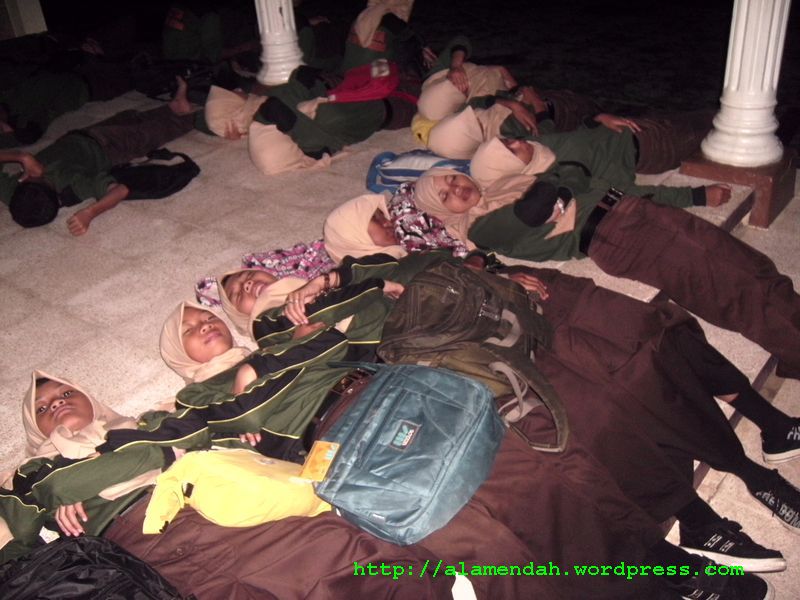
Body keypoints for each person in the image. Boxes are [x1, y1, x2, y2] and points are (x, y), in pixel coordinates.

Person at [0, 372, 456, 599]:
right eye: (43, 408)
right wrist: (55, 519)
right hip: (148, 531)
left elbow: (205, 429)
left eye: (64, 393)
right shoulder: (35, 471)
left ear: (87, 396)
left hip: (232, 493)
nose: (57, 404)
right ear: (36, 429)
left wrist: (94, 479)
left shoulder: (150, 421)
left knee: (351, 551)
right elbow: (23, 529)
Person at [0, 78, 197, 234]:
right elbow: (120, 190)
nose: (27, 175)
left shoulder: (13, 195)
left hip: (82, 135)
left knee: (130, 117)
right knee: (149, 133)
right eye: (35, 178)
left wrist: (22, 157)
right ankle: (195, 118)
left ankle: (174, 107)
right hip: (110, 148)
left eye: (24, 179)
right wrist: (89, 213)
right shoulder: (73, 183)